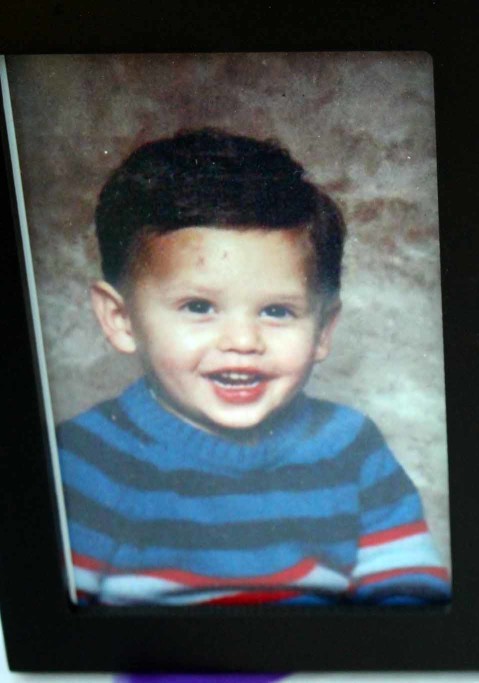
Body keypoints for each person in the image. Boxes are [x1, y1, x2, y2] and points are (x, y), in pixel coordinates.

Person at [57, 129, 449, 606]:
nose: (243, 342)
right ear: (121, 320)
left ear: (323, 329)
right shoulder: (82, 462)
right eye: (199, 306)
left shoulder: (350, 447)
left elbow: (410, 600)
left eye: (277, 311)